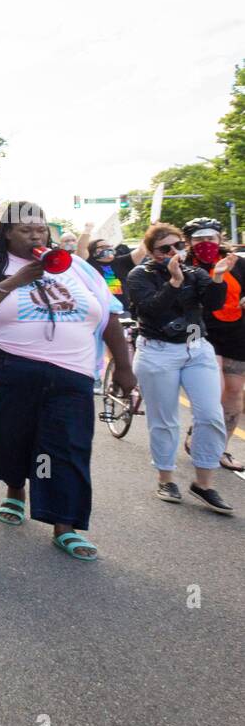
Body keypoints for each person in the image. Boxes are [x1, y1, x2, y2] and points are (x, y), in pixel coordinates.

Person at [0, 202, 135, 561]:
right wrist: (14, 282)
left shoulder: (77, 268)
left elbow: (109, 315)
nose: (36, 234)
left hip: (74, 374)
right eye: (25, 228)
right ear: (7, 233)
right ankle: (16, 490)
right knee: (14, 437)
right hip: (14, 369)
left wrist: (125, 369)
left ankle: (64, 525)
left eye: (41, 228)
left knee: (67, 446)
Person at [124, 223, 233, 513]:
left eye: (178, 246)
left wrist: (219, 276)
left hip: (198, 349)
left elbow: (214, 304)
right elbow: (149, 310)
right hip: (158, 352)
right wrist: (173, 282)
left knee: (210, 415)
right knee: (165, 420)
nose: (174, 252)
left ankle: (204, 484)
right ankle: (166, 477)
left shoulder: (196, 273)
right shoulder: (138, 275)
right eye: (165, 248)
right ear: (151, 252)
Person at [184, 218, 245, 472]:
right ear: (189, 242)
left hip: (236, 330)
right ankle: (203, 437)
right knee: (213, 389)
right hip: (198, 330)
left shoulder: (238, 263)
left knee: (233, 391)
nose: (206, 242)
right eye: (199, 238)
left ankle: (218, 448)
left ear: (220, 238)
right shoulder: (182, 264)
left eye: (211, 237)